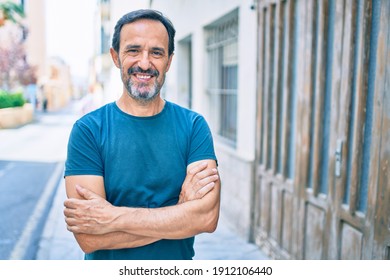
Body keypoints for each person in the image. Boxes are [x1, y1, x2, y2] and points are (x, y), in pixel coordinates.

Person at [63, 9, 220, 260]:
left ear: (169, 61)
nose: (145, 63)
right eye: (133, 50)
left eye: (156, 52)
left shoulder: (193, 127)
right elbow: (89, 238)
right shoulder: (88, 131)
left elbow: (207, 218)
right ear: (115, 57)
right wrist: (180, 212)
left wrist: (112, 218)